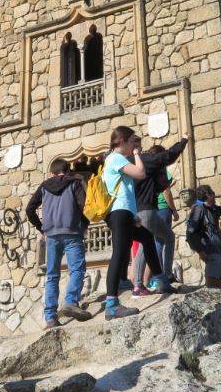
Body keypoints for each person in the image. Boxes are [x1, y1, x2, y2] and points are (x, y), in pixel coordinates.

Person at [102, 126, 172, 320]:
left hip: (124, 213)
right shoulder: (116, 158)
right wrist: (136, 154)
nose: (135, 144)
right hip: (119, 213)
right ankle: (111, 305)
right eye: (132, 140)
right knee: (119, 254)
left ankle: (161, 280)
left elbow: (122, 190)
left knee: (147, 238)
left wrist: (133, 215)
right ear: (122, 141)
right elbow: (140, 173)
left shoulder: (113, 159)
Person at [25, 158, 93, 328]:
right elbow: (84, 207)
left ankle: (50, 317)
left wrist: (41, 228)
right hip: (72, 233)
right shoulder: (75, 183)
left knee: (52, 275)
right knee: (76, 269)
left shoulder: (44, 186)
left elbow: (29, 209)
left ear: (52, 172)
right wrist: (84, 225)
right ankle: (70, 301)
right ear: (67, 170)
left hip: (51, 236)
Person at [130, 135, 189, 294]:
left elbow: (159, 186)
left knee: (168, 236)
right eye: (137, 143)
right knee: (144, 244)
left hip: (148, 210)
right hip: (145, 210)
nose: (140, 147)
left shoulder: (137, 163)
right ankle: (138, 285)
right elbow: (168, 156)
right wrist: (183, 141)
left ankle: (166, 276)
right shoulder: (145, 161)